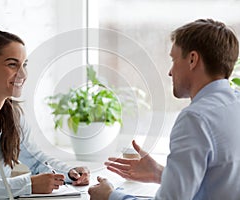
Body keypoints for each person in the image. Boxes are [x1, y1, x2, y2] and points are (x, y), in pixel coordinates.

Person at [88, 18, 240, 199]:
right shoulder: (234, 104)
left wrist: (110, 196)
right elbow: (218, 182)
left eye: (174, 60)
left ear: (192, 59)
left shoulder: (196, 119)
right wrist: (159, 173)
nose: (170, 72)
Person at [0, 30, 90, 199]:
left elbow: (36, 159)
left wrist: (70, 173)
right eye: (12, 64)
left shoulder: (12, 115)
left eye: (24, 65)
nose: (23, 74)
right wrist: (28, 185)